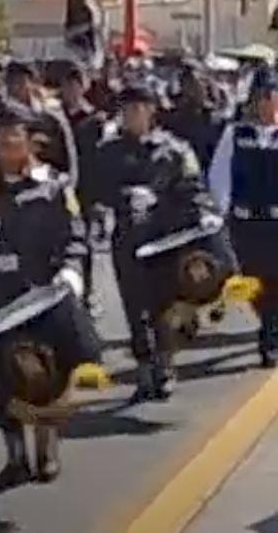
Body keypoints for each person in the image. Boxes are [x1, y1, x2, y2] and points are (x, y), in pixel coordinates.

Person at [0, 105, 96, 484]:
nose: (6, 147)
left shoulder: (53, 186)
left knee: (48, 372)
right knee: (6, 375)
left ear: (31, 141)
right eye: (0, 140)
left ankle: (46, 444)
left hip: (43, 291)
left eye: (13, 138)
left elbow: (75, 236)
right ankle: (15, 455)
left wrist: (70, 270)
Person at [96, 84, 208, 402]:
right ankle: (144, 368)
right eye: (126, 110)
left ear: (151, 111)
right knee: (134, 305)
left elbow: (193, 189)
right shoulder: (108, 151)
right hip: (127, 237)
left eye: (137, 108)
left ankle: (165, 365)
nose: (131, 115)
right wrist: (123, 197)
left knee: (164, 303)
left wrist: (161, 200)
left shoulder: (174, 149)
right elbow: (94, 189)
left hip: (164, 238)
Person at [209, 68, 278, 367]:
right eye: (263, 97)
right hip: (246, 224)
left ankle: (270, 336)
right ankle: (268, 322)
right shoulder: (235, 134)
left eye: (273, 96)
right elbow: (220, 176)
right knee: (254, 280)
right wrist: (220, 212)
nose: (268, 103)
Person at [60, 63, 109, 314]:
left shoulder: (94, 120)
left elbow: (101, 159)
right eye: (67, 85)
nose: (71, 90)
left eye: (75, 85)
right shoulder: (54, 117)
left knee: (85, 242)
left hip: (86, 189)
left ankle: (88, 293)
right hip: (60, 187)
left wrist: (100, 198)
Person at [162, 61, 226, 173]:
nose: (201, 87)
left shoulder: (217, 122)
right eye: (191, 83)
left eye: (203, 82)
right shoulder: (170, 121)